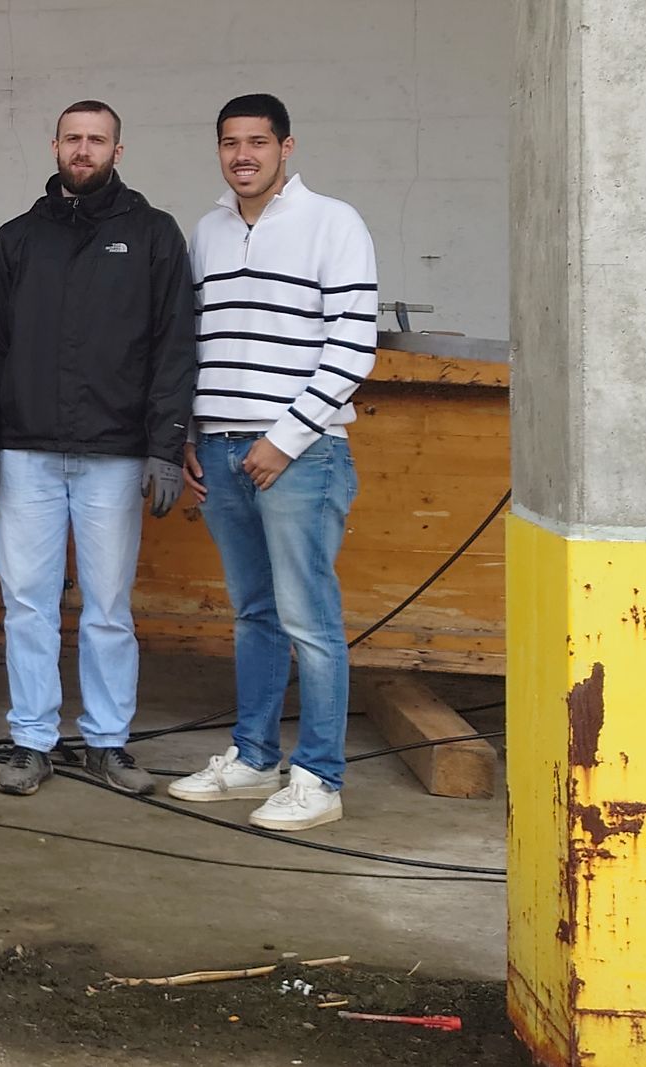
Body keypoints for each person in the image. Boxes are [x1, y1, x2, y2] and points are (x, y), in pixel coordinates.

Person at [0, 100, 197, 797]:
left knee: (107, 606)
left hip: (116, 454)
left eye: (97, 140)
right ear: (55, 145)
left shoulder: (153, 236)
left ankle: (108, 741)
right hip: (28, 452)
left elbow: (173, 345)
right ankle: (32, 740)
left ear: (118, 151)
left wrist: (165, 444)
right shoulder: (16, 240)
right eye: (73, 138)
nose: (84, 150)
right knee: (27, 603)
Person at [169, 94, 378, 831]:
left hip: (301, 454)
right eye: (230, 142)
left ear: (288, 147)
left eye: (258, 141)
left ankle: (318, 777)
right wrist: (190, 434)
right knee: (254, 614)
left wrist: (282, 438)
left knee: (310, 619)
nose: (243, 155)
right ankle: (253, 758)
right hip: (222, 448)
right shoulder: (209, 229)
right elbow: (198, 344)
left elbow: (353, 348)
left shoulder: (334, 223)